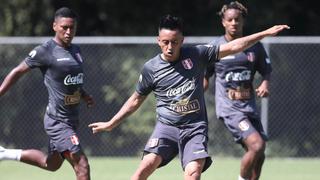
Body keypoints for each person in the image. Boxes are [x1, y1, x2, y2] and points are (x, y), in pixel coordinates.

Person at [88, 14, 288, 180]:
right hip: (166, 127)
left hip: (195, 129)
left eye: (174, 42)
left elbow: (234, 47)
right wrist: (111, 123)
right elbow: (135, 99)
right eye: (165, 42)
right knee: (143, 169)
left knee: (193, 175)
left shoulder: (197, 54)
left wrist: (265, 33)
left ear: (181, 41)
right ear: (158, 41)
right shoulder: (151, 68)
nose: (169, 47)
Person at [0, 7, 93, 180]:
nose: (68, 31)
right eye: (64, 27)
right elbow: (17, 71)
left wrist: (84, 94)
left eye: (72, 27)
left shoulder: (76, 50)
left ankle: (5, 154)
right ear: (55, 26)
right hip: (58, 121)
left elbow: (72, 80)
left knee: (51, 164)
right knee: (82, 165)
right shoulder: (45, 51)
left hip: (71, 120)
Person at [203, 2, 272, 180]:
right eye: (230, 20)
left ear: (243, 21)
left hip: (249, 107)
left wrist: (265, 84)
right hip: (229, 109)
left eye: (237, 19)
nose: (234, 23)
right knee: (256, 145)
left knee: (260, 151)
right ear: (223, 22)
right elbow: (205, 75)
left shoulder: (254, 46)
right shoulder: (216, 48)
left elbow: (266, 70)